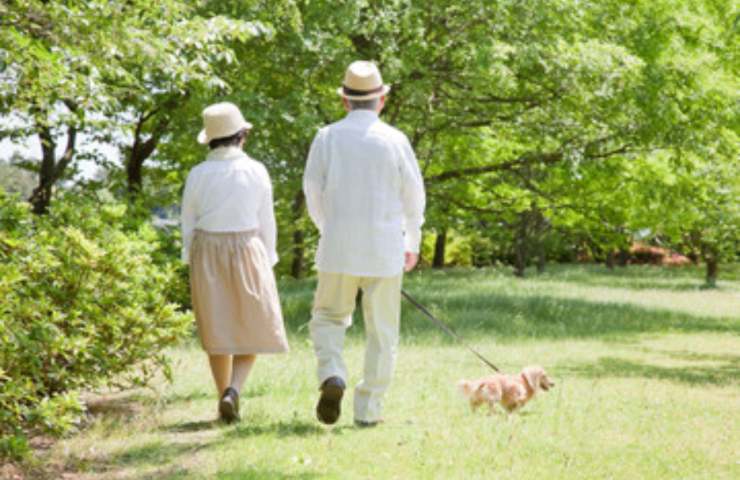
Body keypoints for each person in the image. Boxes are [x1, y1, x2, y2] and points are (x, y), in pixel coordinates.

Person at [303, 61, 426, 427]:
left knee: (328, 317)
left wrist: (329, 227)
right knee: (382, 332)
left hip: (338, 246)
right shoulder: (395, 140)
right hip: (385, 248)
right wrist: (412, 239)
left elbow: (312, 191)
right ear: (382, 99)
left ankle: (332, 373)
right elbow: (414, 197)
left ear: (344, 100)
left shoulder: (326, 137)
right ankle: (368, 410)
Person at [181, 102, 289, 423]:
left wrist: (191, 259)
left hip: (207, 248)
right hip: (247, 245)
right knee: (251, 325)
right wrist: (269, 258)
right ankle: (235, 390)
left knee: (217, 327)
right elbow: (266, 219)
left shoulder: (197, 174)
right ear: (241, 135)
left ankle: (222, 396)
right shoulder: (256, 170)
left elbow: (188, 220)